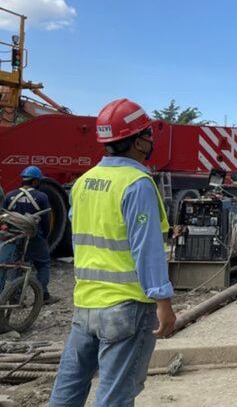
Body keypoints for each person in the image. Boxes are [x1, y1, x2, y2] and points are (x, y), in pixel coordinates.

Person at [49, 99, 176, 407]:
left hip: (85, 304)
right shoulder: (137, 183)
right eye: (146, 133)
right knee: (115, 397)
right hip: (126, 308)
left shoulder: (83, 183)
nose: (150, 140)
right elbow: (147, 250)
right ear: (136, 141)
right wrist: (163, 302)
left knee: (68, 390)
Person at [0, 166, 55, 303]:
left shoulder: (10, 195)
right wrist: (44, 237)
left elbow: (4, 216)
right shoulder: (41, 197)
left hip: (14, 236)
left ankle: (14, 296)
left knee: (16, 265)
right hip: (33, 236)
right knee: (43, 263)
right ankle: (43, 296)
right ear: (36, 182)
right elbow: (46, 221)